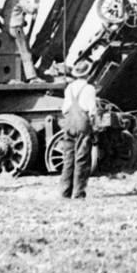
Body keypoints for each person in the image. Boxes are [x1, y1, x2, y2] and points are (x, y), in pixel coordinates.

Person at [60, 60, 98, 200]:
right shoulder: (89, 88)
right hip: (82, 124)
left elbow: (64, 109)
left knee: (68, 158)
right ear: (88, 74)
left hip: (69, 124)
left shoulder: (69, 88)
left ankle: (65, 192)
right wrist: (94, 126)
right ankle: (78, 193)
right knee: (82, 158)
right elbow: (92, 111)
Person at [3, 0, 40, 81]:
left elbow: (3, 12)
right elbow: (31, 10)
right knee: (25, 51)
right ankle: (32, 77)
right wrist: (36, 3)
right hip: (17, 29)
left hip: (6, 27)